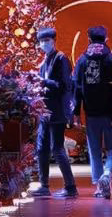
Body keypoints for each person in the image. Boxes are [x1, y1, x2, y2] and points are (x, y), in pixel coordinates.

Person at [73, 25, 112, 199]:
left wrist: (76, 112)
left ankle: (99, 187)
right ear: (106, 39)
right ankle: (107, 174)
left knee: (94, 150)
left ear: (89, 39)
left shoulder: (82, 61)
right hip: (109, 113)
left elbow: (77, 88)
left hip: (91, 113)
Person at [31, 26, 78, 199]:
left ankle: (71, 187)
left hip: (58, 110)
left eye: (47, 41)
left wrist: (44, 82)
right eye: (41, 41)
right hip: (45, 111)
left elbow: (65, 85)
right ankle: (44, 185)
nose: (44, 44)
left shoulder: (61, 59)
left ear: (54, 41)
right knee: (41, 148)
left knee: (57, 148)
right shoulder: (45, 60)